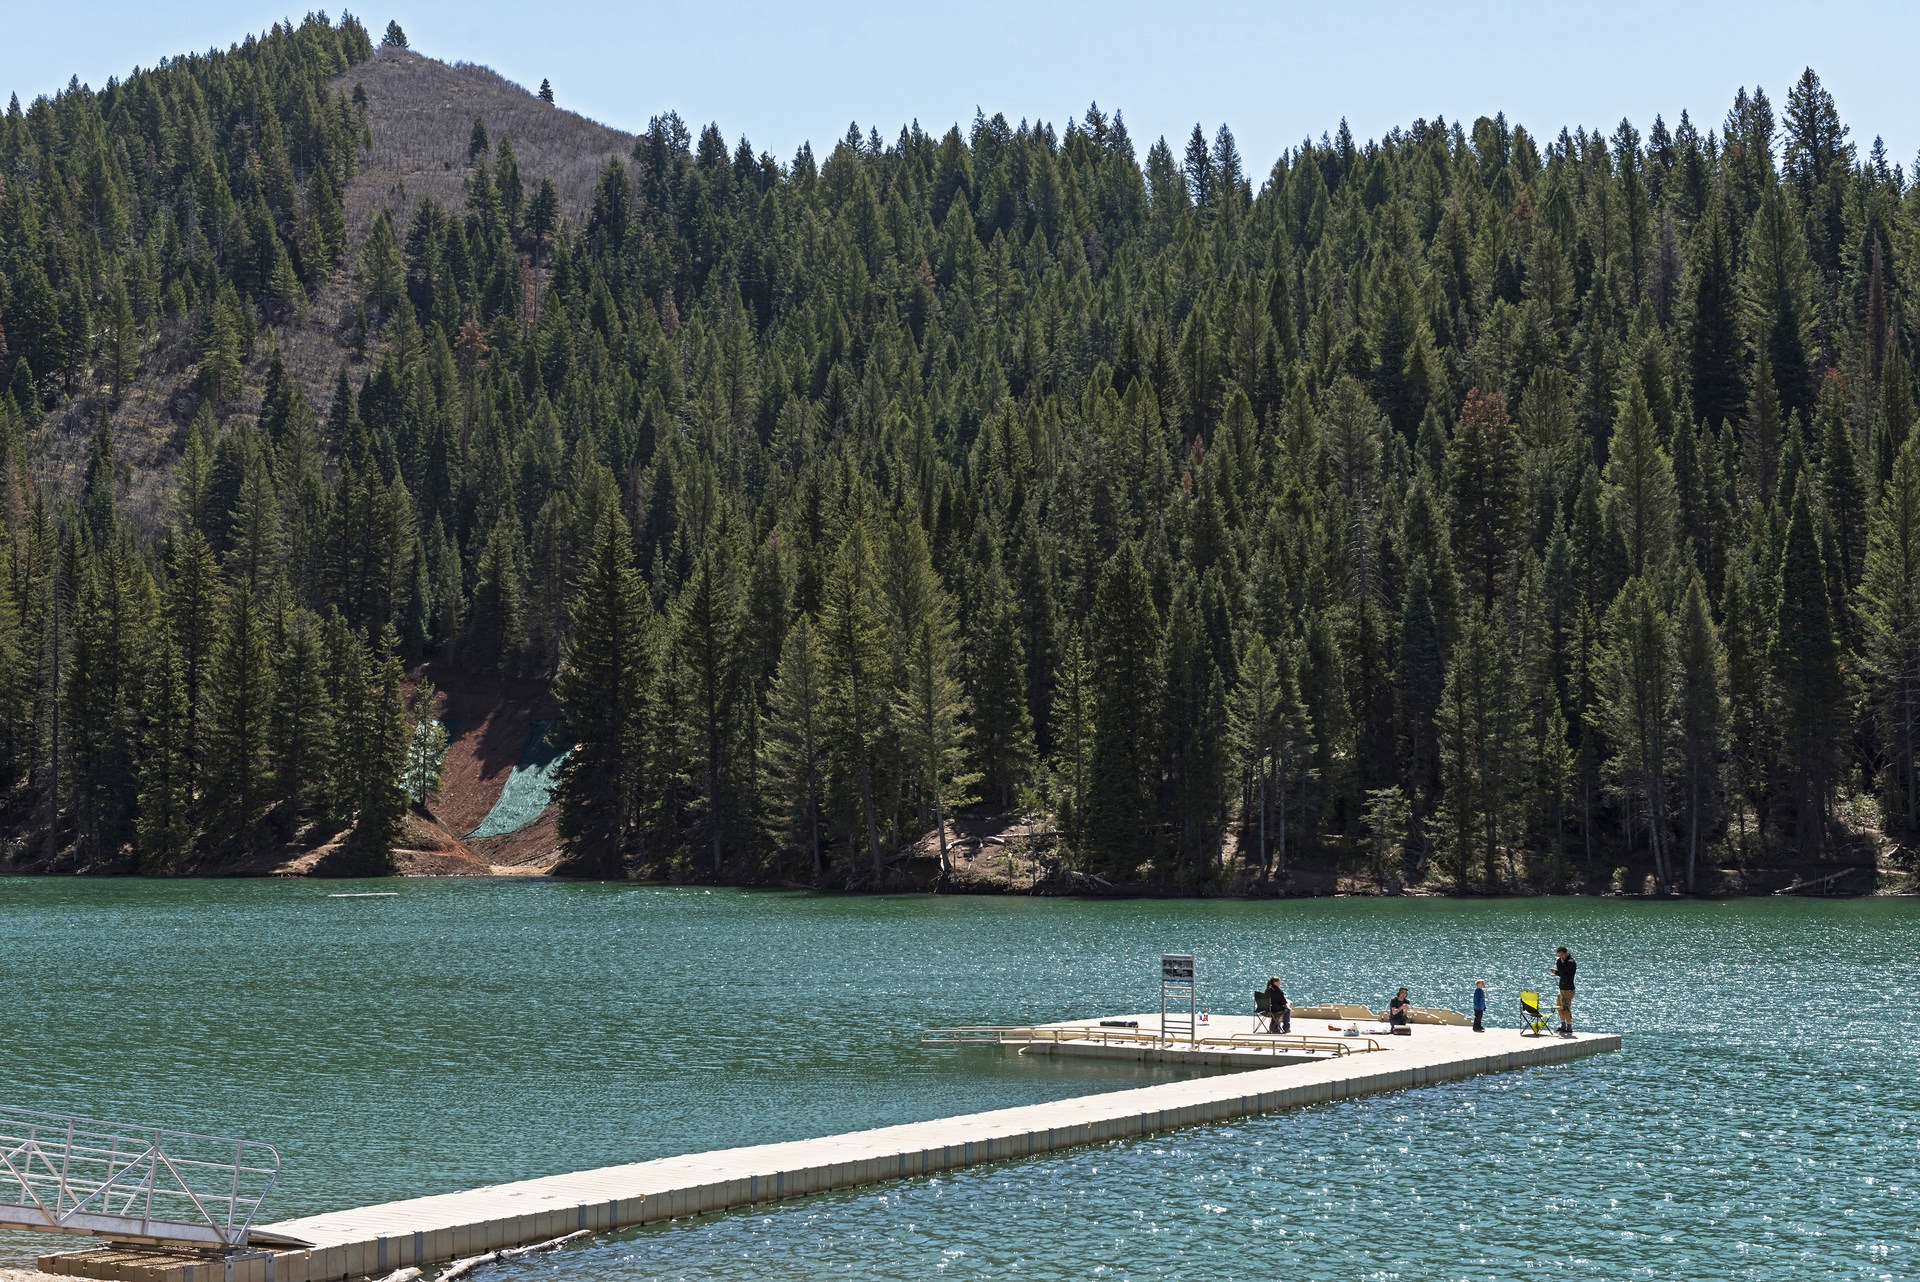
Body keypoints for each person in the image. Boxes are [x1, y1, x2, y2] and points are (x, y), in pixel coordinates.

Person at [1549, 947, 1577, 1036]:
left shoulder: (1571, 962)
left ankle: (1569, 1027)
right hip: (1562, 989)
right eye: (1559, 955)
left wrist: (1558, 961)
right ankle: (1563, 1025)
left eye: (1561, 955)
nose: (1560, 957)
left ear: (1566, 953)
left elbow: (1563, 971)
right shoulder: (1564, 962)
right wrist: (1555, 972)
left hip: (1568, 990)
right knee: (1560, 1007)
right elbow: (1563, 974)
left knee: (1566, 1008)